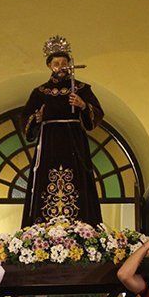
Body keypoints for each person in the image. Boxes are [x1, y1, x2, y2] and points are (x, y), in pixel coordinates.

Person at [20, 35, 104, 228]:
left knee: (78, 178)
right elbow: (26, 119)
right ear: (50, 66)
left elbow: (97, 114)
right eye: (56, 63)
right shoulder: (40, 92)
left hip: (74, 140)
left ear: (69, 65)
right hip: (49, 141)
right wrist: (37, 118)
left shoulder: (81, 88)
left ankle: (82, 225)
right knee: (45, 179)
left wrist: (83, 105)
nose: (60, 67)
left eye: (64, 63)